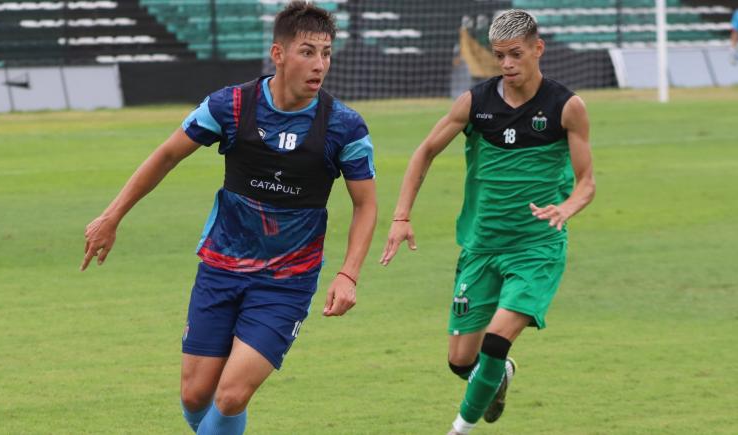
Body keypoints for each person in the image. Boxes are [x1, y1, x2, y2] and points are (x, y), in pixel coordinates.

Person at [81, 2, 377, 434]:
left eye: (327, 53)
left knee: (232, 393)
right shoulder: (232, 106)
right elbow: (166, 155)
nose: (320, 65)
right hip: (221, 267)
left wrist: (349, 274)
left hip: (286, 281)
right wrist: (112, 216)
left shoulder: (344, 126)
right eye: (308, 52)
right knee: (195, 396)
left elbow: (365, 204)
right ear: (278, 54)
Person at [380, 9, 595, 435]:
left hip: (535, 249)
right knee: (461, 360)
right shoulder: (475, 103)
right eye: (499, 56)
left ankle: (459, 428)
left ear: (538, 48)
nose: (507, 64)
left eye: (516, 54)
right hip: (481, 248)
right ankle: (500, 374)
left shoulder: (566, 107)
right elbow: (423, 152)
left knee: (496, 339)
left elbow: (587, 182)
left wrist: (566, 208)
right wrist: (401, 216)